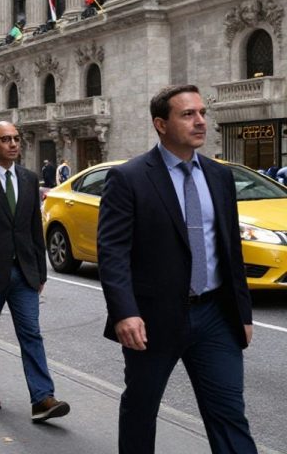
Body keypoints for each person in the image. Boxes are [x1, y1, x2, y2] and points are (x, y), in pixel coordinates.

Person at [97, 85, 256, 454]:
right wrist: (125, 312)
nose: (200, 121)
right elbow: (113, 251)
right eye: (188, 114)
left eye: (201, 112)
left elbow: (230, 249)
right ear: (161, 124)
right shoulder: (130, 178)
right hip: (153, 320)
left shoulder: (219, 176)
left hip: (216, 315)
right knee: (141, 408)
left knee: (230, 414)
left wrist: (242, 313)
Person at [0, 121, 70, 422]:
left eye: (16, 138)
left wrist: (41, 273)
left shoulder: (29, 179)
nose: (13, 144)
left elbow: (34, 228)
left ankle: (42, 398)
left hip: (24, 274)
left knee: (31, 333)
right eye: (5, 139)